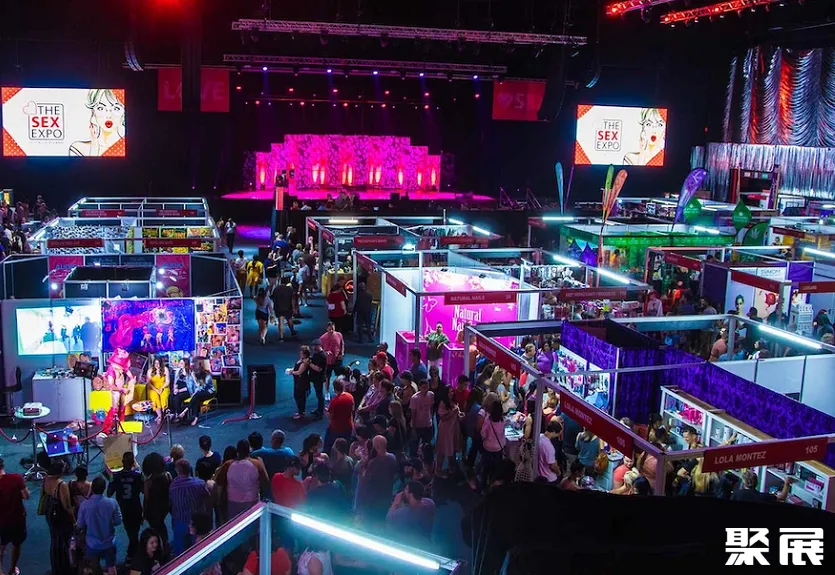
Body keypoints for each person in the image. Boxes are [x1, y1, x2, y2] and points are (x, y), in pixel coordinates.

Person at [78, 476, 122, 575]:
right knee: (111, 566)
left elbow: (80, 524)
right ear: (104, 488)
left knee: (94, 568)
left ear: (92, 489)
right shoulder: (112, 503)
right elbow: (118, 521)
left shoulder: (84, 505)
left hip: (92, 544)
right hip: (109, 542)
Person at [216, 439, 269, 519]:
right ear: (249, 450)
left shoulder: (228, 464)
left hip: (233, 502)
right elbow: (266, 482)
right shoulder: (257, 464)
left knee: (235, 523)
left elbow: (219, 481)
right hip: (252, 501)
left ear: (237, 451)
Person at [107, 452, 144, 566]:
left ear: (122, 462)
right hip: (136, 508)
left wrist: (111, 479)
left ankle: (133, 555)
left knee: (132, 533)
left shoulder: (117, 476)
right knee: (134, 534)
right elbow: (144, 490)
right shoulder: (138, 475)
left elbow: (109, 493)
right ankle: (132, 555)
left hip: (124, 509)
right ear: (133, 462)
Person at [356, 435, 399, 527]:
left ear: (376, 447)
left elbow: (365, 480)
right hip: (386, 497)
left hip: (373, 499)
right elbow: (395, 475)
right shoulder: (392, 458)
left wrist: (362, 469)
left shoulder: (373, 463)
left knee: (370, 523)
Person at [169, 459, 209, 556]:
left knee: (179, 552)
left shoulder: (172, 487)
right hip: (196, 521)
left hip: (180, 521)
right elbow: (207, 497)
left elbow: (171, 502)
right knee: (198, 549)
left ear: (177, 471)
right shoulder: (200, 483)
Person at [43, 460, 75, 575]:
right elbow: (67, 506)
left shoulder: (46, 479)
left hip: (50, 514)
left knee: (54, 540)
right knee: (64, 542)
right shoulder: (61, 485)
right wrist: (74, 521)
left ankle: (56, 567)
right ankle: (64, 569)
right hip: (60, 516)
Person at [0, 457, 28, 575]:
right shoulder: (16, 478)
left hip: (2, 521)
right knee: (17, 544)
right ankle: (12, 569)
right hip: (17, 519)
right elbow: (26, 496)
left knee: (2, 545)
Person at [386, 481, 436, 546]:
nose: (403, 491)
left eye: (406, 489)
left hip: (411, 545)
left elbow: (388, 518)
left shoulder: (404, 513)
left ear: (411, 494)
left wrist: (396, 502)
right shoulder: (430, 503)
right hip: (427, 543)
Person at [142, 453, 172, 559]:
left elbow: (146, 499)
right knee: (161, 528)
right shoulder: (167, 476)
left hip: (153, 511)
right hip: (164, 508)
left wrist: (144, 513)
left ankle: (159, 552)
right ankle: (166, 546)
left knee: (156, 530)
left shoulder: (148, 482)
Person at [435, 385, 462, 478]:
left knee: (452, 447)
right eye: (449, 392)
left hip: (454, 428)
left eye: (452, 391)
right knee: (442, 449)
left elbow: (457, 413)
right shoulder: (443, 403)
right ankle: (438, 470)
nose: (451, 393)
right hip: (445, 429)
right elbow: (443, 418)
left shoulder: (453, 402)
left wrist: (460, 415)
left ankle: (451, 466)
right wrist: (452, 412)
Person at [480, 400, 506, 489]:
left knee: (486, 468)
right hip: (498, 447)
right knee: (496, 468)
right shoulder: (502, 420)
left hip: (488, 447)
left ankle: (484, 487)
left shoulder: (488, 420)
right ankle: (493, 486)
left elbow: (483, 433)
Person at [324, 378, 354, 453]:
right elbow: (352, 409)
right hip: (348, 425)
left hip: (336, 427)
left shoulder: (334, 401)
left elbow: (330, 417)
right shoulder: (350, 396)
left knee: (327, 445)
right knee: (346, 445)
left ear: (334, 389)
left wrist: (327, 412)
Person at [183, 361, 215, 426]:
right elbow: (196, 387)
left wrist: (195, 379)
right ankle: (196, 418)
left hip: (210, 392)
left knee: (197, 395)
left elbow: (203, 387)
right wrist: (194, 378)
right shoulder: (196, 374)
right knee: (196, 398)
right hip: (201, 393)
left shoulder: (207, 374)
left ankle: (185, 411)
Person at [320, 322, 344, 399]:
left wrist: (342, 353)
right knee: (327, 377)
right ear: (326, 329)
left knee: (339, 376)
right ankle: (327, 392)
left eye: (332, 329)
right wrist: (325, 353)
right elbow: (320, 350)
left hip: (337, 359)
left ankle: (337, 390)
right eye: (329, 329)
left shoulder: (339, 335)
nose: (331, 331)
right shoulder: (322, 338)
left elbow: (342, 344)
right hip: (328, 361)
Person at [410, 379, 435, 448]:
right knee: (415, 445)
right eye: (424, 388)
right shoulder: (415, 398)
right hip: (418, 426)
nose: (426, 390)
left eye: (427, 387)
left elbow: (431, 408)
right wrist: (413, 428)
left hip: (428, 424)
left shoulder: (431, 395)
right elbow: (413, 414)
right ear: (419, 387)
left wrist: (431, 419)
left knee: (427, 445)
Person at [271, 275, 298, 341]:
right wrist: (293, 308)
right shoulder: (289, 289)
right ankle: (292, 331)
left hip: (278, 307)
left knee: (280, 321)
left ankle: (281, 337)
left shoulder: (276, 289)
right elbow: (293, 299)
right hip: (288, 307)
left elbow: (273, 298)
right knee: (289, 319)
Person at [291, 346, 312, 419]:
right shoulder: (301, 360)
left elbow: (299, 372)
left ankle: (301, 413)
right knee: (297, 396)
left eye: (301, 352)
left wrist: (291, 372)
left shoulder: (305, 362)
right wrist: (293, 370)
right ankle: (301, 411)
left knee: (300, 397)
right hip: (298, 380)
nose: (300, 353)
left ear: (305, 354)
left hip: (302, 382)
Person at [309, 339, 328, 419]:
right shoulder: (317, 354)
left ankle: (320, 412)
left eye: (314, 346)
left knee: (320, 395)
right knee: (318, 394)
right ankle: (319, 409)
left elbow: (319, 369)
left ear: (318, 346)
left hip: (319, 378)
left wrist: (310, 364)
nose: (312, 347)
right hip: (315, 378)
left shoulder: (322, 356)